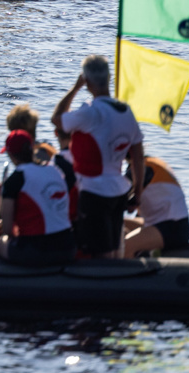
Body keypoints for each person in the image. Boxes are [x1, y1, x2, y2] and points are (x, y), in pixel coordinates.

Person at [52, 54, 144, 259]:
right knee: (113, 248)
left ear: (86, 80)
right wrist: (137, 192)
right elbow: (138, 157)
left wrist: (75, 88)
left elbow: (57, 119)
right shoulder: (126, 112)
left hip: (93, 191)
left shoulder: (90, 113)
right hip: (119, 190)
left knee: (98, 254)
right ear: (109, 77)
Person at [0, 128, 77, 266]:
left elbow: (7, 230)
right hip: (68, 248)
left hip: (35, 252)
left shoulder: (15, 180)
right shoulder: (55, 170)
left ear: (11, 155)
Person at [123, 154, 189, 258]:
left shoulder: (144, 168)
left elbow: (116, 200)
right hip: (159, 223)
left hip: (173, 227)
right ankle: (142, 254)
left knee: (125, 246)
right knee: (121, 223)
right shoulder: (151, 163)